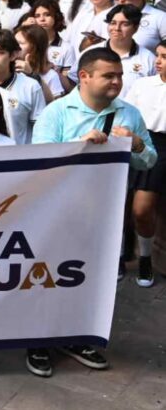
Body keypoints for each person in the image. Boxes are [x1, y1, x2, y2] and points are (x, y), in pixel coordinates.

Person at [30, 47, 157, 376]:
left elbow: (149, 161)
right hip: (57, 212)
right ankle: (38, 341)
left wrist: (138, 146)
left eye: (119, 75)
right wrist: (79, 144)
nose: (117, 81)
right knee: (48, 277)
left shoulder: (130, 114)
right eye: (109, 76)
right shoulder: (56, 113)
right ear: (84, 76)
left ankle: (76, 336)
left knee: (89, 280)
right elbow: (39, 161)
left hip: (105, 214)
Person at [125, 38, 166, 287]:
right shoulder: (143, 85)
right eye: (158, 55)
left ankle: (151, 259)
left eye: (164, 57)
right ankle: (133, 257)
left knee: (150, 210)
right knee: (131, 207)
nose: (158, 62)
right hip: (142, 142)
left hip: (160, 146)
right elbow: (127, 113)